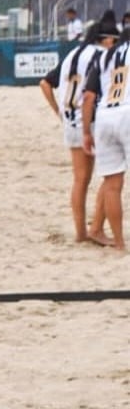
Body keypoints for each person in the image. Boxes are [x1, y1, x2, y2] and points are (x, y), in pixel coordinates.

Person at [39, 23, 114, 245]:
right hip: (93, 120)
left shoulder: (72, 54)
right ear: (105, 39)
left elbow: (45, 83)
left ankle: (81, 233)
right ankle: (97, 228)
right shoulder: (102, 55)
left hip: (71, 120)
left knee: (80, 180)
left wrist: (58, 112)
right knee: (111, 175)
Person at [81, 19, 129, 252]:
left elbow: (88, 97)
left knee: (112, 184)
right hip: (128, 114)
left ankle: (119, 243)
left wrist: (86, 132)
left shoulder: (104, 57)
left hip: (104, 117)